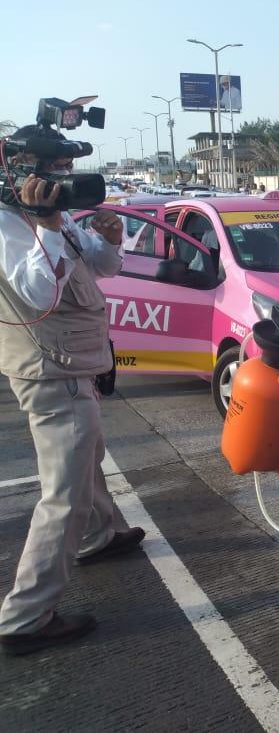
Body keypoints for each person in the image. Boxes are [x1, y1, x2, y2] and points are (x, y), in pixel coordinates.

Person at [0, 126, 146, 657]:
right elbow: (39, 292)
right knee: (64, 494)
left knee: (89, 456)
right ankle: (26, 615)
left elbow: (103, 268)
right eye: (55, 170)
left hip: (72, 364)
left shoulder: (54, 219)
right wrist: (46, 224)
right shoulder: (10, 224)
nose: (64, 179)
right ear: (23, 171)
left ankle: (99, 535)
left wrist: (110, 238)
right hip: (50, 371)